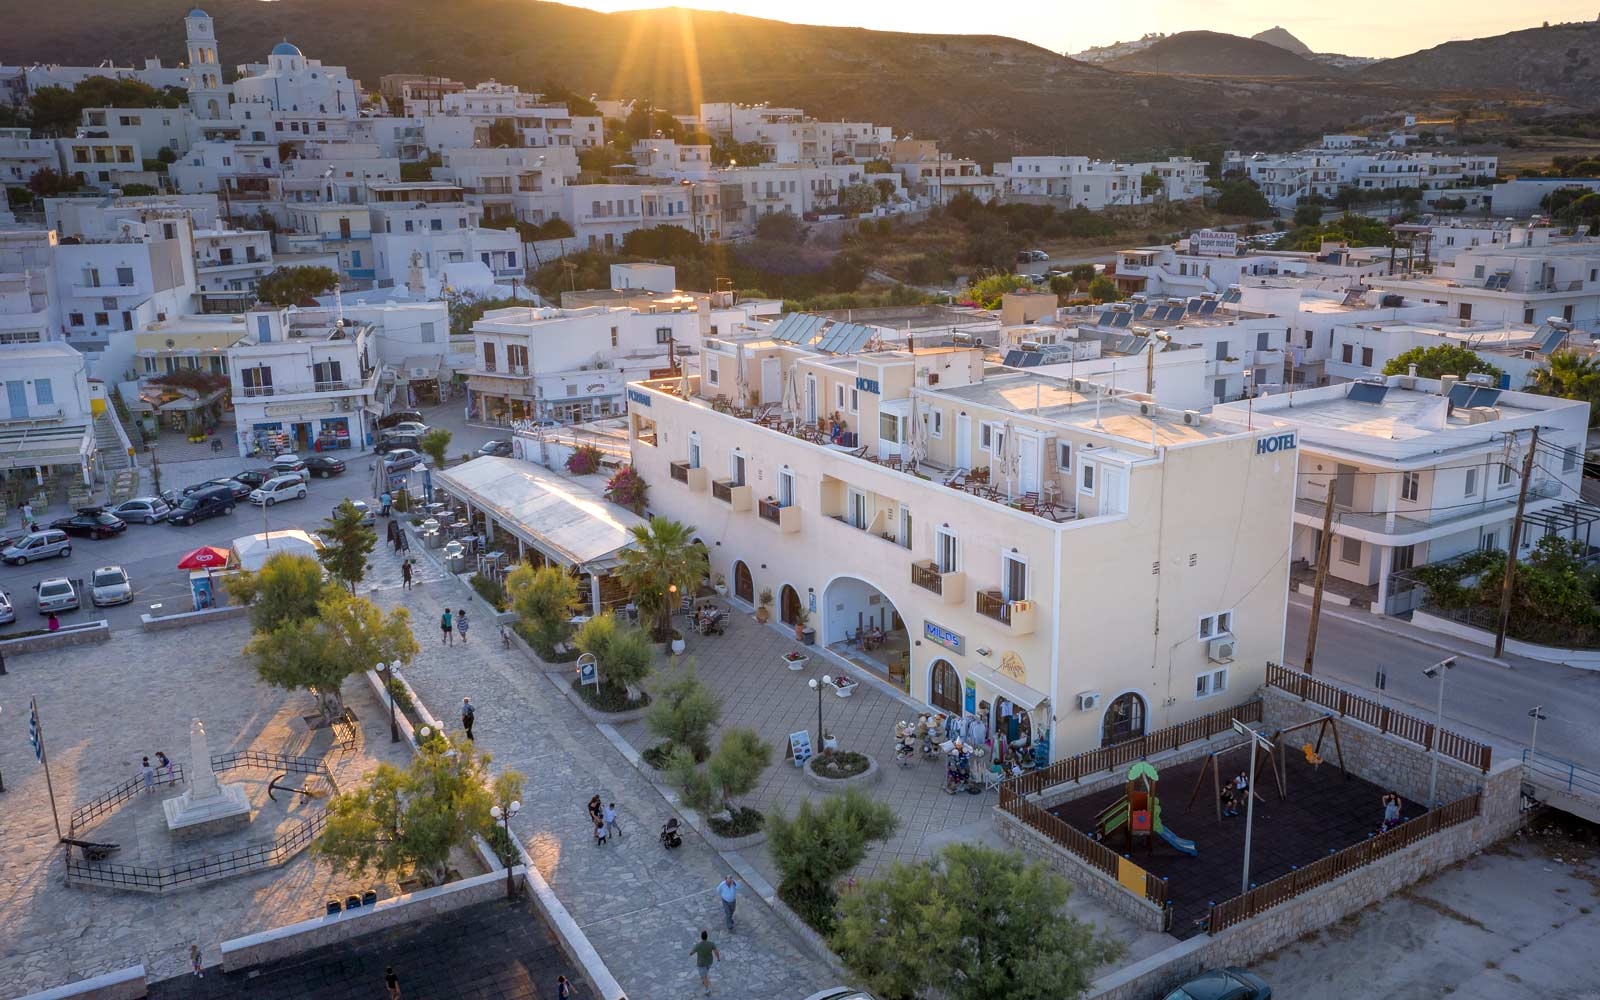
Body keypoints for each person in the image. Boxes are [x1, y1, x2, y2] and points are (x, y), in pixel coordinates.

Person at [689, 930, 720, 996]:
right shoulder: (711, 944)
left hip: (701, 964)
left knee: (704, 977)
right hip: (709, 962)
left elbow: (692, 953)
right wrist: (718, 959)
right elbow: (716, 951)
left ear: (701, 937)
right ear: (707, 937)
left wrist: (691, 953)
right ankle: (705, 980)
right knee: (705, 973)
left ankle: (707, 989)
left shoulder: (698, 945)